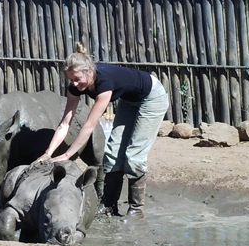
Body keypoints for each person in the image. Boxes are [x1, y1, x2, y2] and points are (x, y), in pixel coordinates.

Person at [36, 42, 169, 219]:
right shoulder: (75, 88)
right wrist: (47, 153)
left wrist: (67, 155)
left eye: (77, 79)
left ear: (89, 72)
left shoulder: (104, 83)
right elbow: (64, 124)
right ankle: (109, 206)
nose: (75, 84)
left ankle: (136, 209)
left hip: (152, 97)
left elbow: (89, 125)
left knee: (134, 156)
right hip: (129, 101)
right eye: (71, 80)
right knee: (113, 154)